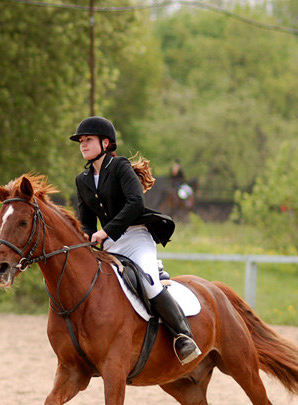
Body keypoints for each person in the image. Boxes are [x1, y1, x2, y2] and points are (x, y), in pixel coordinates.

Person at [70, 116, 201, 364]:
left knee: (150, 284)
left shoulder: (120, 167)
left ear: (106, 143)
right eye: (81, 141)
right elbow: (86, 220)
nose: (83, 144)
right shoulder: (82, 180)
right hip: (108, 243)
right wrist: (86, 235)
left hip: (136, 238)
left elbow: (135, 203)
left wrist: (105, 231)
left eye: (88, 140)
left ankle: (184, 336)